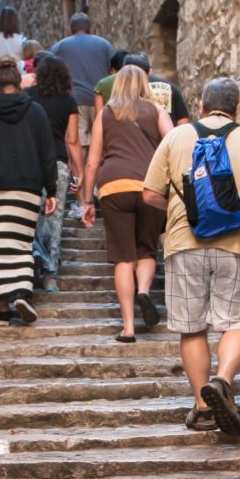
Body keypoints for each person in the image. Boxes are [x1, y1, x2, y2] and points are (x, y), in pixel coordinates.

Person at [143, 77, 240, 434]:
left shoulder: (177, 137)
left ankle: (203, 406)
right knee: (236, 322)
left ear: (202, 107)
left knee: (192, 329)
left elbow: (149, 195)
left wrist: (185, 206)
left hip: (184, 243)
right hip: (239, 245)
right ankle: (222, 380)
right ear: (237, 108)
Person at [80, 65, 173, 342]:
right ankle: (143, 290)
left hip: (114, 187)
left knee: (123, 258)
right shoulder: (157, 111)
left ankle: (129, 327)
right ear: (144, 84)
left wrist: (87, 200)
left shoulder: (105, 114)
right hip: (149, 186)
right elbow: (173, 142)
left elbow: (93, 160)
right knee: (146, 250)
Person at [0, 57, 58, 326]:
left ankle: (4, 308)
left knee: (0, 244)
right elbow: (48, 154)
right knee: (22, 243)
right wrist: (51, 189)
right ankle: (21, 293)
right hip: (27, 187)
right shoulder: (36, 111)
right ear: (19, 81)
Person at [26, 56, 84, 292]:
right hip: (58, 164)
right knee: (56, 216)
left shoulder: (28, 98)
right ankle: (50, 274)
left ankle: (33, 253)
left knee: (31, 211)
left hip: (30, 162)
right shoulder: (68, 101)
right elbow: (73, 140)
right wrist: (78, 173)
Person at [51, 13, 115, 217]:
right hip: (100, 103)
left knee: (78, 150)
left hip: (73, 101)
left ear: (70, 29)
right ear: (90, 28)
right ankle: (93, 192)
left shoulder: (60, 47)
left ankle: (82, 201)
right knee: (96, 147)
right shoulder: (104, 45)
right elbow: (113, 69)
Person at [124, 52, 190, 126]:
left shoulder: (123, 90)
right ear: (149, 71)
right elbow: (183, 120)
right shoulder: (170, 87)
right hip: (168, 134)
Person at [93, 49, 130, 115]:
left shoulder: (102, 84)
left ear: (112, 69)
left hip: (109, 123)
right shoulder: (141, 81)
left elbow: (98, 114)